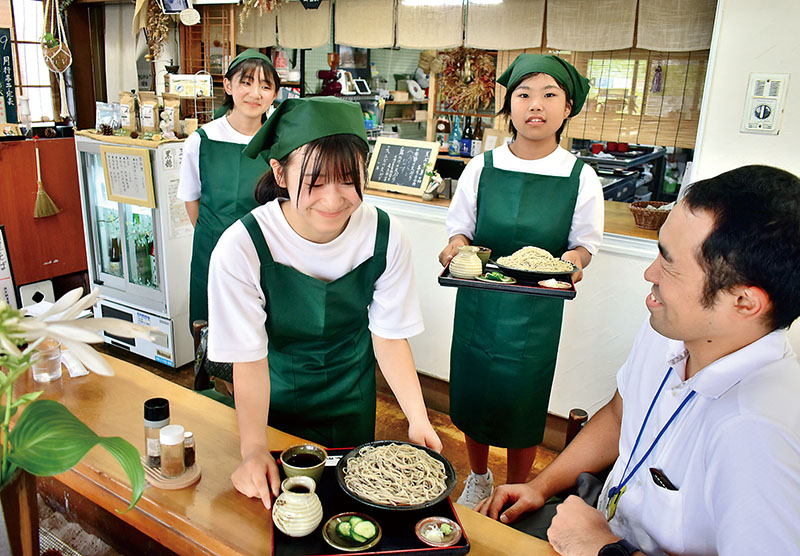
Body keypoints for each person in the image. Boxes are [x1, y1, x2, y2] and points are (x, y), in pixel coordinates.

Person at [477, 165, 800, 555]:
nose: (650, 273)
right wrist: (539, 487)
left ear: (744, 302)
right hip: (600, 518)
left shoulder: (759, 432)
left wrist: (603, 547)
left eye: (669, 263)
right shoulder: (672, 329)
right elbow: (620, 414)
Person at [206, 96, 443, 510]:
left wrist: (418, 418)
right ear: (279, 172)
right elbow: (248, 359)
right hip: (272, 395)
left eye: (348, 178)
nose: (333, 199)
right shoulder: (241, 247)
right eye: (314, 182)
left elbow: (388, 336)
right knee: (284, 512)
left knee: (349, 508)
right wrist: (253, 447)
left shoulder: (385, 235)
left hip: (351, 394)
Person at [438, 54, 604, 508]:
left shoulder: (580, 176)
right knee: (473, 395)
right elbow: (461, 228)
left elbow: (584, 244)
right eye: (524, 94)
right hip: (479, 302)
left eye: (550, 94)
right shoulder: (482, 166)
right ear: (510, 105)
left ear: (567, 107)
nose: (537, 104)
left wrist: (573, 259)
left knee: (522, 404)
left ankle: (516, 489)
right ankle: (478, 478)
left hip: (536, 310)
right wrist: (455, 246)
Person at [178, 49, 280, 330]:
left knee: (261, 330)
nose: (255, 93)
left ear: (274, 95)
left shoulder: (279, 143)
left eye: (265, 86)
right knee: (214, 327)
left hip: (266, 252)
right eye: (246, 82)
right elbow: (191, 199)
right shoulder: (202, 140)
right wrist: (216, 237)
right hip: (213, 250)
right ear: (228, 85)